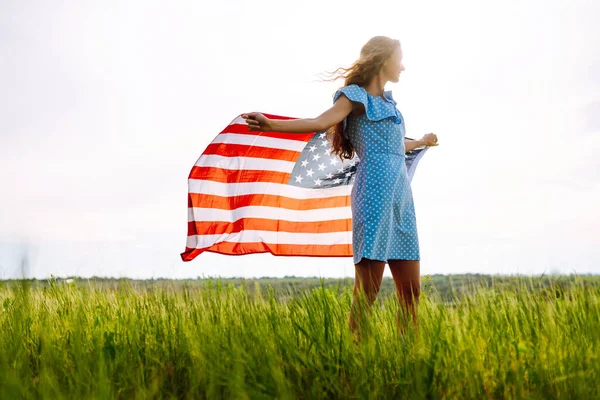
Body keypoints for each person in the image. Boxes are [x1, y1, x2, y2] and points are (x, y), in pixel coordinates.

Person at [242, 36, 438, 340]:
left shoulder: (390, 104)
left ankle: (409, 358)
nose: (403, 65)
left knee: (411, 294)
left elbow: (396, 146)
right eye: (400, 58)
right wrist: (271, 126)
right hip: (373, 193)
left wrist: (422, 142)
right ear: (384, 59)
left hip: (401, 199)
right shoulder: (354, 97)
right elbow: (321, 122)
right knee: (367, 295)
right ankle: (354, 359)